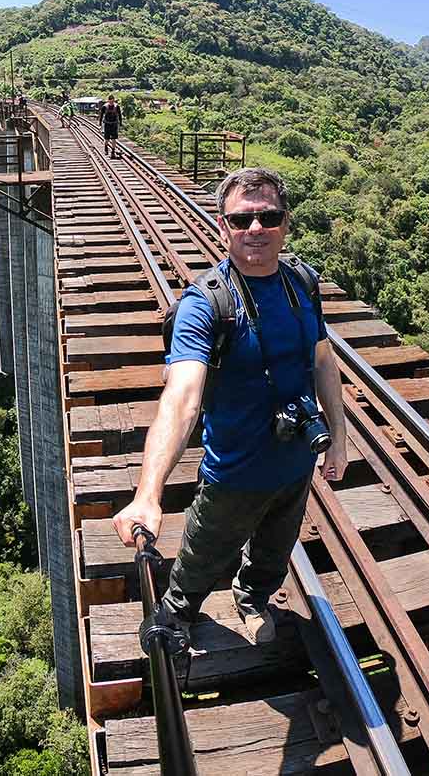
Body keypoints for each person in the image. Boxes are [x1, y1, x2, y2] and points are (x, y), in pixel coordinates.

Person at [112, 167, 348, 645]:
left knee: (275, 550)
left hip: (296, 461)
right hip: (234, 472)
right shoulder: (206, 305)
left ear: (285, 224)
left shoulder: (302, 283)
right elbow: (181, 399)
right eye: (241, 220)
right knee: (202, 554)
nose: (255, 229)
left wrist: (338, 440)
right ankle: (179, 611)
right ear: (223, 227)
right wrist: (148, 492)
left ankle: (252, 599)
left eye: (268, 217)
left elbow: (322, 359)